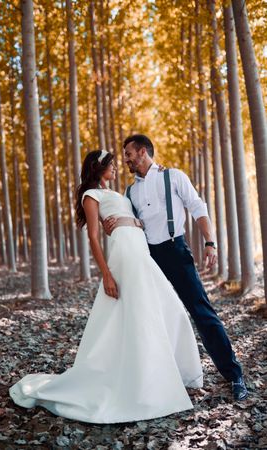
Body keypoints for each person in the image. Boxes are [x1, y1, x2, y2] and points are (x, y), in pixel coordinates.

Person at [9, 149, 203, 424]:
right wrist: (107, 275)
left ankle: (165, 373)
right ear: (99, 168)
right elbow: (93, 237)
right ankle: (148, 385)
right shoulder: (92, 195)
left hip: (139, 246)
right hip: (124, 252)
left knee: (170, 308)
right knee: (141, 312)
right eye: (111, 164)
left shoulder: (118, 192)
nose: (116, 168)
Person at [104, 134, 248, 402]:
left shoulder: (174, 176)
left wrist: (210, 242)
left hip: (175, 250)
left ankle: (234, 375)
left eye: (129, 154)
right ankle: (160, 380)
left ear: (144, 152)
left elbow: (197, 207)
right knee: (151, 317)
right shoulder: (130, 191)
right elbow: (136, 224)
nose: (125, 159)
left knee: (201, 312)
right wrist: (114, 222)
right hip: (147, 257)